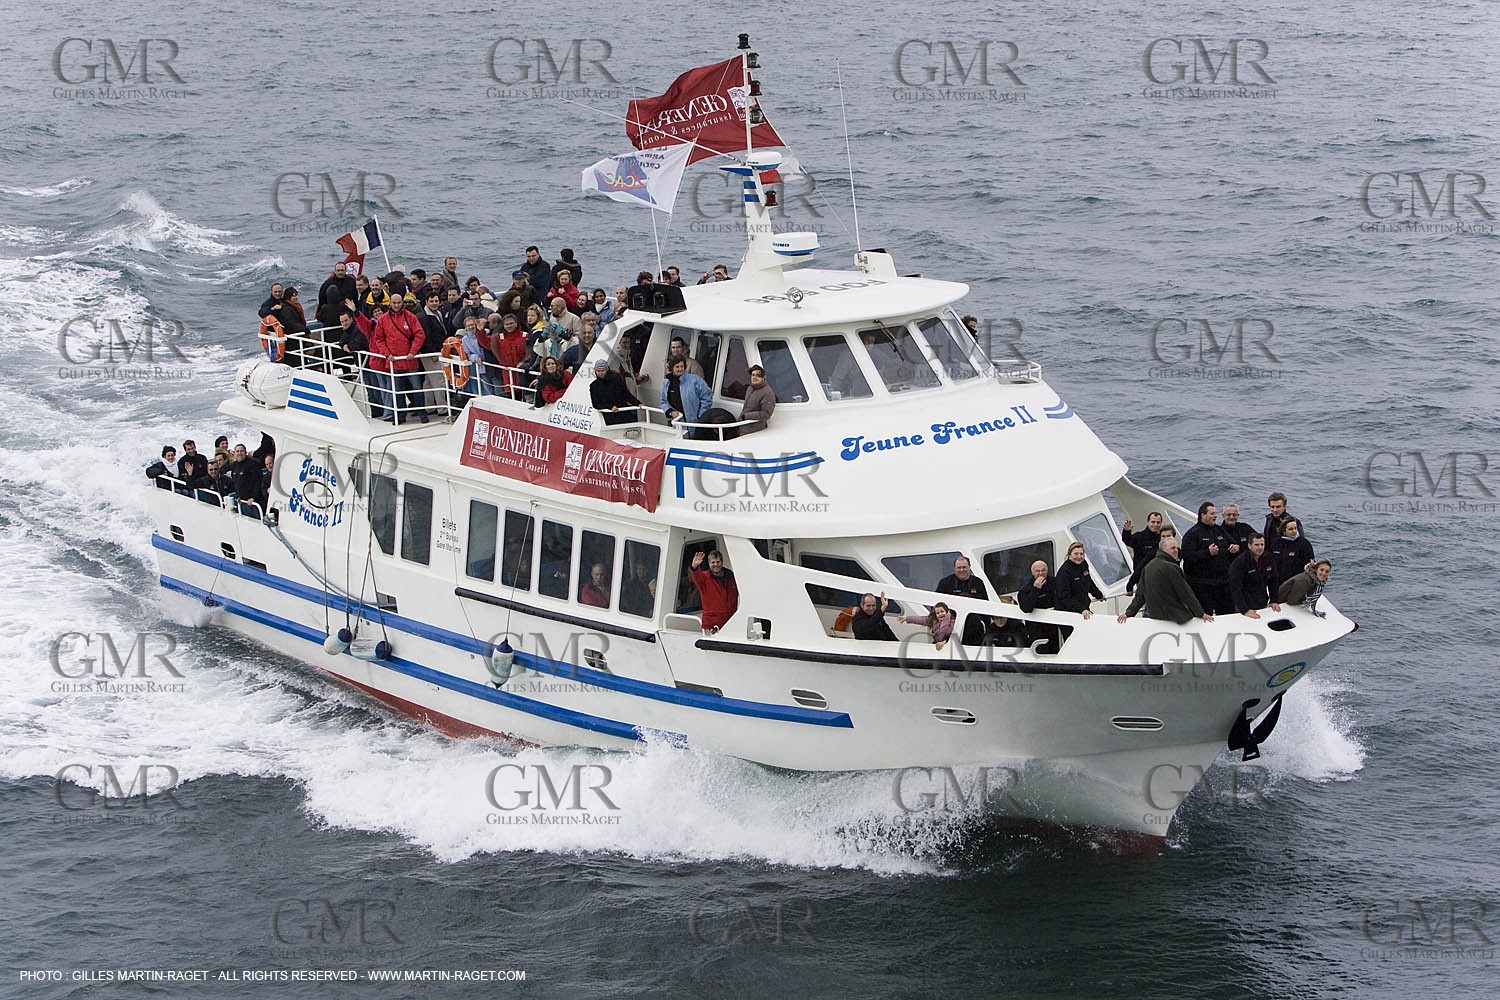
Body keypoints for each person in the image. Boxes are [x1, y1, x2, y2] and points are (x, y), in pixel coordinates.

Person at [1118, 535, 1214, 625]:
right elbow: (1185, 593)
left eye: (1177, 548)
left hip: (1156, 617)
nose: (1176, 551)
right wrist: (1200, 614)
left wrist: (1129, 613)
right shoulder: (1172, 567)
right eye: (1172, 548)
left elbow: (1140, 596)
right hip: (1176, 618)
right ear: (1163, 550)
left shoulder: (1148, 567)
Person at [369, 294, 427, 423]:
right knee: (398, 391)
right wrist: (387, 354)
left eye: (399, 302)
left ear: (402, 303)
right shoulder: (383, 320)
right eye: (394, 303)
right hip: (395, 362)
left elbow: (420, 334)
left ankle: (422, 414)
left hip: (410, 361)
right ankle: (401, 416)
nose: (396, 305)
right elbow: (379, 338)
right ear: (390, 303)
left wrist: (413, 351)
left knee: (417, 389)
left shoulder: (410, 317)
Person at [1181, 502, 1233, 614]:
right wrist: (1207, 552)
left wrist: (1235, 546)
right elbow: (1187, 556)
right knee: (1205, 615)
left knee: (1227, 612)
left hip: (1222, 582)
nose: (1215, 516)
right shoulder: (1192, 534)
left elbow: (1231, 543)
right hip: (1202, 585)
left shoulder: (1219, 530)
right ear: (1203, 515)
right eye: (1212, 513)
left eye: (1216, 513)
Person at [935, 555, 989, 645]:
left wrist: (987, 628)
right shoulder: (945, 583)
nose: (961, 570)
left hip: (974, 627)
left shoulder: (978, 582)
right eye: (959, 568)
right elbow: (936, 606)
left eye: (964, 567)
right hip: (951, 627)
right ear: (954, 568)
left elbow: (986, 606)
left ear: (969, 567)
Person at [1228, 532, 1282, 619]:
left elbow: (1273, 580)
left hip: (1262, 600)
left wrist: (1274, 600)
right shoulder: (1240, 562)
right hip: (1244, 604)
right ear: (1249, 546)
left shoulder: (1269, 558)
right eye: (1256, 545)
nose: (1260, 547)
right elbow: (1235, 588)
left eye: (1262, 544)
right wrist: (1245, 610)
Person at [1017, 559, 1062, 652]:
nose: (1041, 573)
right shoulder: (1025, 590)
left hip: (1056, 626)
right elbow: (1026, 608)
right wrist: (1036, 589)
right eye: (1037, 571)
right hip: (1038, 629)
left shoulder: (1056, 583)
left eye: (1043, 570)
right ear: (1032, 573)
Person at [689, 550, 738, 632]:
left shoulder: (731, 577)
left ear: (722, 562)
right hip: (712, 624)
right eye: (713, 562)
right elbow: (696, 575)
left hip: (731, 622)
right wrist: (694, 566)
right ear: (709, 563)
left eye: (718, 562)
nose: (716, 564)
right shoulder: (704, 578)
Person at [1054, 541, 1104, 619]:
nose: (1079, 556)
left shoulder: (1084, 564)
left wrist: (1099, 595)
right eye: (1076, 554)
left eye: (1081, 554)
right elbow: (1064, 596)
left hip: (1083, 609)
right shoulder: (1064, 572)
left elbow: (1089, 582)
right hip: (1068, 612)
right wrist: (1081, 609)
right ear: (1069, 554)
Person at [662, 357, 711, 434]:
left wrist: (700, 416)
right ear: (672, 368)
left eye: (682, 366)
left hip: (694, 423)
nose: (680, 369)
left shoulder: (695, 380)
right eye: (677, 367)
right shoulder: (667, 383)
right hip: (675, 423)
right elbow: (663, 401)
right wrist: (670, 412)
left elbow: (707, 397)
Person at [1268, 519, 1315, 594]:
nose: (1294, 531)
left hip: (1296, 584)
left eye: (1295, 528)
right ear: (1284, 531)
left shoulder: (1304, 544)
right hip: (1278, 583)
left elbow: (1310, 566)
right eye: (1290, 529)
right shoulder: (1276, 543)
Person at [1121, 512, 1163, 595]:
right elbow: (1127, 540)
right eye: (1153, 522)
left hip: (1158, 576)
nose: (1155, 525)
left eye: (1158, 522)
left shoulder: (1161, 539)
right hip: (1141, 576)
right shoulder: (1139, 536)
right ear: (1148, 522)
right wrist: (1126, 532)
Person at [590, 360, 639, 424]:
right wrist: (610, 407)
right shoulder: (594, 386)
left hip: (623, 414)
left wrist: (637, 403)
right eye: (598, 371)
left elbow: (626, 394)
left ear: (607, 370)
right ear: (595, 372)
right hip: (609, 417)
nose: (601, 373)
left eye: (603, 370)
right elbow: (596, 404)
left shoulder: (616, 380)